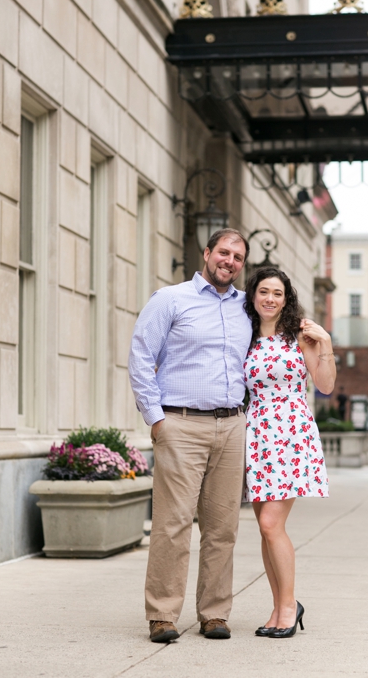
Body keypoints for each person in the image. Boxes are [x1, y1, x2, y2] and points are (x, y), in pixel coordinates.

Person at [128, 229, 251, 643]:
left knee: (223, 527)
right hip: (180, 424)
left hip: (232, 425)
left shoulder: (247, 309)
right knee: (173, 523)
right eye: (223, 252)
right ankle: (162, 614)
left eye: (237, 256)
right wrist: (156, 418)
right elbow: (141, 355)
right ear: (207, 253)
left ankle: (214, 613)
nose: (229, 261)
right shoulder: (171, 299)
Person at [242, 267, 334, 639]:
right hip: (256, 434)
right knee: (266, 531)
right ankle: (279, 606)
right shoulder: (244, 336)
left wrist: (325, 343)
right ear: (253, 296)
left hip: (291, 434)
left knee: (270, 524)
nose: (269, 299)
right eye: (263, 291)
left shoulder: (300, 336)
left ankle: (289, 605)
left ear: (286, 298)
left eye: (277, 293)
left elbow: (325, 386)